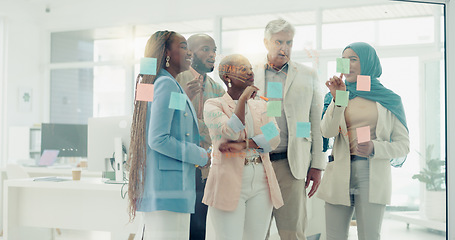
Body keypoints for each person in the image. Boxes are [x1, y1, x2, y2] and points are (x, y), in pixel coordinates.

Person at [318, 42, 410, 240]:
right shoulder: (337, 95)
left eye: (353, 59)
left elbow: (404, 145)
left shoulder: (389, 99)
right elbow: (327, 131)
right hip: (339, 173)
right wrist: (338, 98)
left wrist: (374, 147)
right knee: (334, 237)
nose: (348, 64)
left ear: (367, 63)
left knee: (369, 236)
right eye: (344, 60)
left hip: (372, 174)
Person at [127, 30, 209, 240]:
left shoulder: (163, 83)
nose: (188, 51)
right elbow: (157, 138)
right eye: (183, 46)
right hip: (169, 188)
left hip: (164, 187)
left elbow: (164, 119)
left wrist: (186, 99)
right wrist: (200, 155)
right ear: (167, 54)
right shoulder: (166, 84)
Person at [252, 19, 325, 239]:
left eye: (289, 42)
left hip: (291, 165)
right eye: (279, 42)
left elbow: (316, 123)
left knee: (293, 233)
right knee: (255, 232)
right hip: (257, 165)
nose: (284, 47)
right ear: (266, 43)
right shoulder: (250, 73)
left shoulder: (308, 75)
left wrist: (317, 165)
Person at [203, 54, 284, 239]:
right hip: (227, 181)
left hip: (262, 181)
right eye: (242, 69)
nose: (250, 72)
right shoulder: (212, 105)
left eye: (250, 68)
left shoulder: (263, 105)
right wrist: (242, 101)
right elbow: (230, 133)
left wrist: (245, 144)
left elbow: (274, 138)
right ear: (226, 77)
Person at [176, 33, 225, 240]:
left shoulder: (217, 88)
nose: (212, 54)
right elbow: (167, 118)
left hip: (206, 172)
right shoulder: (176, 79)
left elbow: (223, 128)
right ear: (190, 53)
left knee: (200, 229)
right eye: (206, 49)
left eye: (214, 50)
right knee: (179, 229)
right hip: (180, 168)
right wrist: (183, 100)